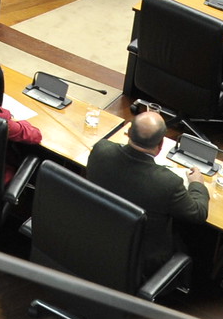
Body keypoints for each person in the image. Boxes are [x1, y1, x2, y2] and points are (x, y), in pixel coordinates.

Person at [86, 108, 208, 274]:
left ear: (129, 133)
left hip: (93, 239)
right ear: (161, 145)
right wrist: (197, 184)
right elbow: (198, 213)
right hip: (139, 263)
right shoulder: (168, 183)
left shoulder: (100, 150)